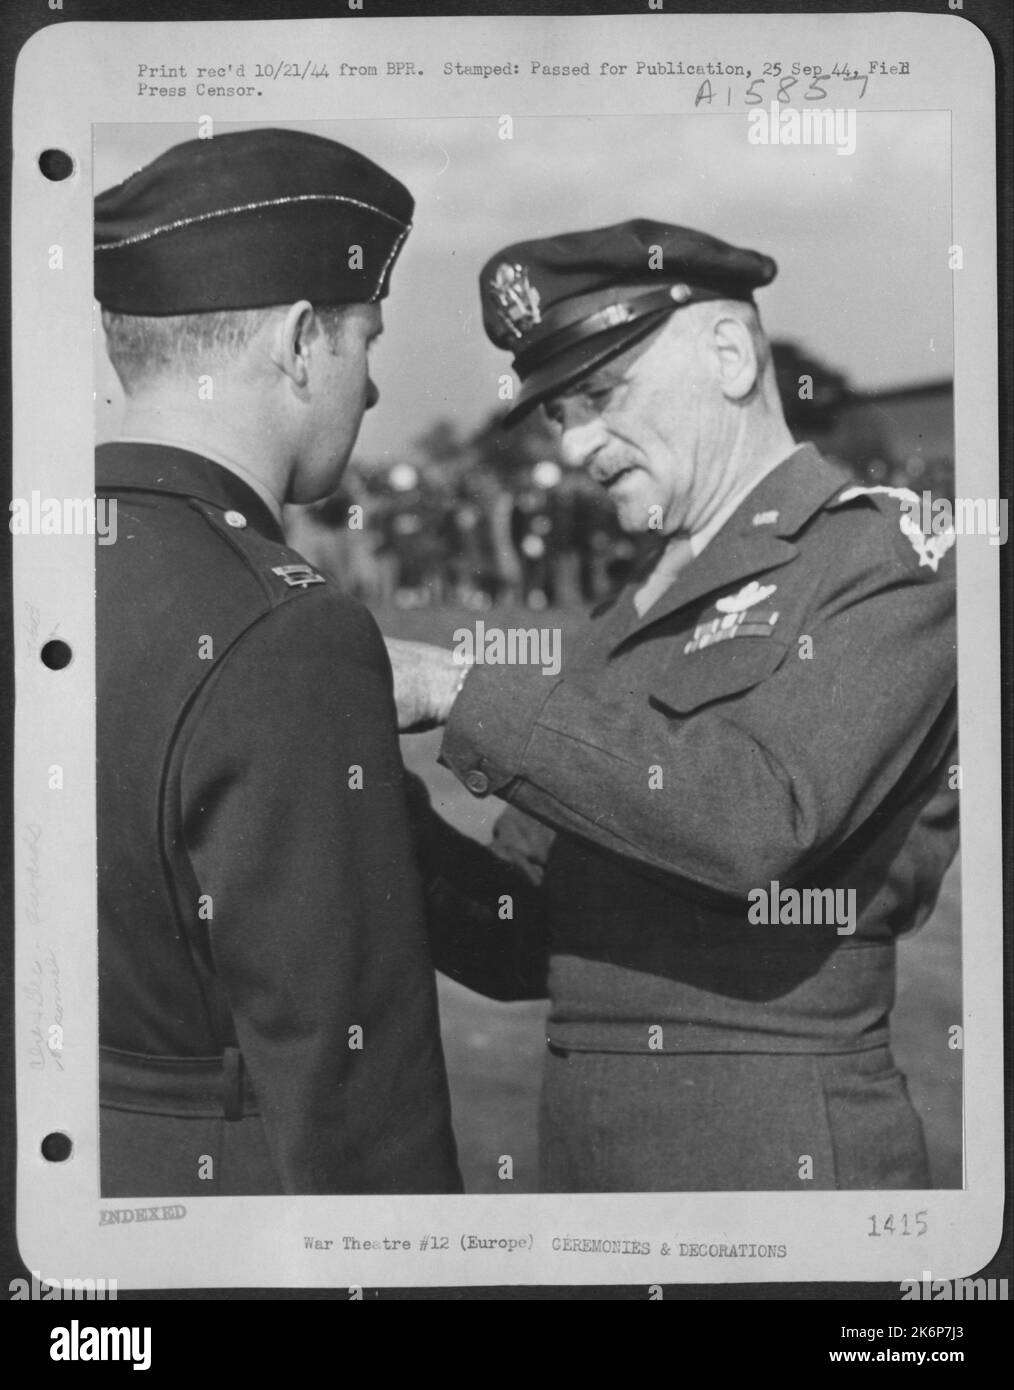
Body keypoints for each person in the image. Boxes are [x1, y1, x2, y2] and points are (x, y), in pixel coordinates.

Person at [390, 219, 958, 1192]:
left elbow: (754, 820)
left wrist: (456, 687)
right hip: (587, 1158)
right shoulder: (628, 611)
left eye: (602, 394)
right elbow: (518, 937)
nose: (575, 443)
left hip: (774, 1155)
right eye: (559, 411)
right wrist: (365, 787)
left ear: (731, 354)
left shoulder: (881, 559)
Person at [94, 127, 461, 1196]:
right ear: (303, 342)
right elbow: (354, 1085)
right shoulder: (285, 628)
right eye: (367, 343)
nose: (375, 390)